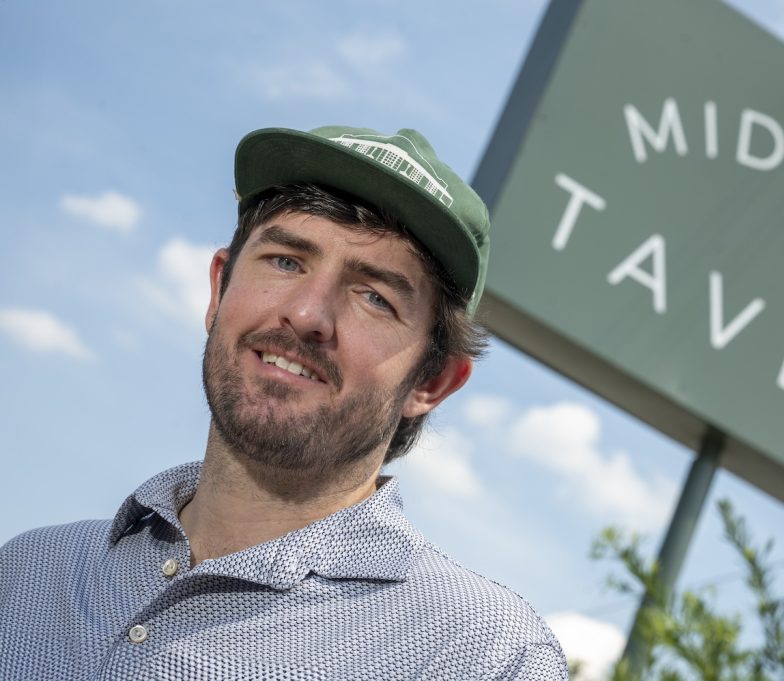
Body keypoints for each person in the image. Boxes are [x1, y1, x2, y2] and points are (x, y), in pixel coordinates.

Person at [0, 125, 569, 680]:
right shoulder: (27, 571)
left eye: (374, 297)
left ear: (433, 381)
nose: (306, 315)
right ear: (219, 289)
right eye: (285, 261)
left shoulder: (484, 657)